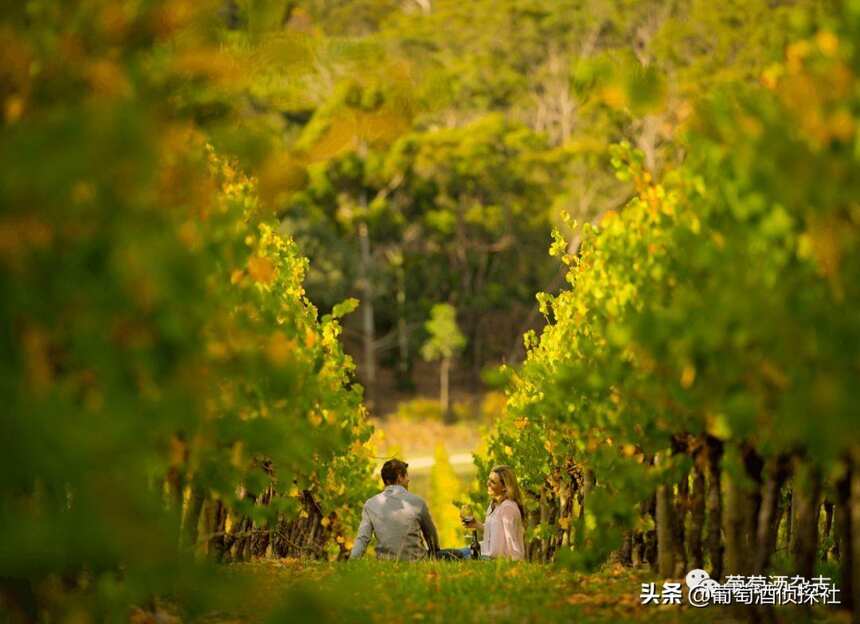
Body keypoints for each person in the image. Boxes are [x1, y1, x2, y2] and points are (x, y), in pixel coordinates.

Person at [349, 458, 440, 561]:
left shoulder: (370, 504)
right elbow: (431, 536)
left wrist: (352, 563)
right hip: (417, 560)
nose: (408, 479)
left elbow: (362, 539)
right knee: (460, 553)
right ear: (399, 477)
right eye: (406, 475)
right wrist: (435, 554)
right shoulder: (417, 502)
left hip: (385, 563)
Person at [442, 464, 526, 561]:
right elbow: (496, 532)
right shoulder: (494, 504)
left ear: (504, 487)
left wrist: (514, 568)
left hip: (492, 559)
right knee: (444, 554)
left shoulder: (508, 509)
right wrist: (476, 524)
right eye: (489, 480)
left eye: (493, 482)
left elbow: (512, 544)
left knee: (450, 559)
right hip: (484, 551)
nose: (488, 483)